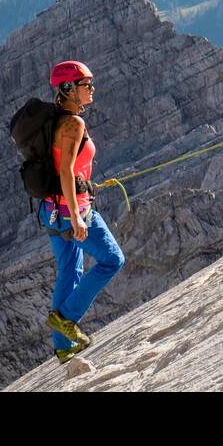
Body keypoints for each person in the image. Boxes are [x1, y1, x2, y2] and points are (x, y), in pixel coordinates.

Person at [42, 60, 125, 363]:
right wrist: (77, 215)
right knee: (112, 259)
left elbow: (65, 168)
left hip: (51, 208)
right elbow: (65, 169)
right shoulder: (74, 124)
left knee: (70, 270)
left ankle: (63, 346)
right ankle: (66, 318)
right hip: (70, 209)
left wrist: (86, 185)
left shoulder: (54, 120)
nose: (92, 89)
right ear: (68, 88)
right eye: (86, 84)